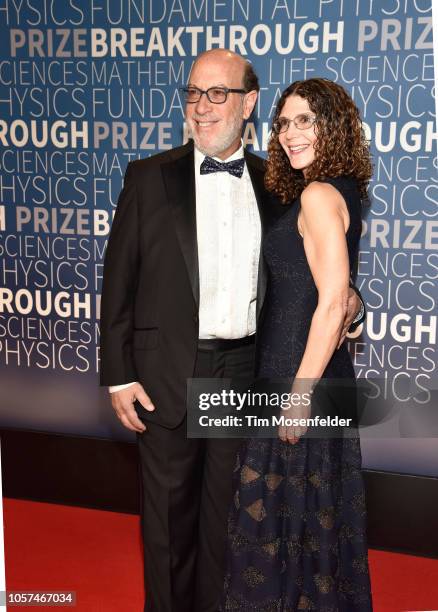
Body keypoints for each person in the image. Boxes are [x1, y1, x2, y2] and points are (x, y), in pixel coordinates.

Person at [100, 51, 364, 612]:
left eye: (218, 94)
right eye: (194, 93)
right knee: (168, 526)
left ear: (248, 104)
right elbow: (117, 281)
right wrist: (118, 375)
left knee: (233, 527)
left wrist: (349, 303)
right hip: (166, 372)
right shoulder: (149, 177)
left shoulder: (281, 183)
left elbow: (310, 273)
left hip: (245, 371)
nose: (202, 106)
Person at [221, 78, 374, 611]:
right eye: (283, 122)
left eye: (304, 120)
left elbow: (331, 301)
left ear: (332, 125)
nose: (289, 133)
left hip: (296, 375)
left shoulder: (317, 192)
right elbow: (340, 294)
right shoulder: (339, 188)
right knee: (311, 517)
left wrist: (300, 395)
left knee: (273, 518)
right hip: (310, 369)